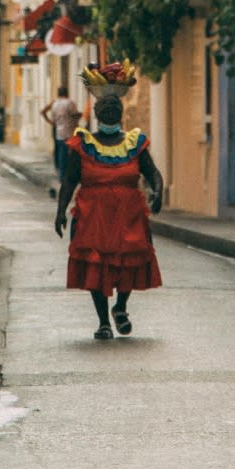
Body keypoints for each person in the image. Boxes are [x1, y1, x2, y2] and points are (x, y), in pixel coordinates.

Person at [54, 93, 163, 339]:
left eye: (115, 109)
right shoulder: (83, 145)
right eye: (106, 109)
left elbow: (152, 173)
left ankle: (120, 307)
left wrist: (159, 192)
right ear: (98, 114)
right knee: (96, 264)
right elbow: (70, 180)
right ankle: (103, 321)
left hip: (129, 216)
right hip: (93, 217)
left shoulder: (135, 144)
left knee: (130, 261)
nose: (111, 113)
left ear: (121, 114)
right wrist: (60, 211)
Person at [41, 86, 81, 197]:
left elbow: (43, 112)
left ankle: (62, 177)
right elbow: (74, 115)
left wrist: (51, 122)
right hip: (69, 133)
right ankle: (70, 177)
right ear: (67, 92)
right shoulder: (69, 103)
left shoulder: (55, 104)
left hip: (59, 132)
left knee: (61, 156)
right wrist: (79, 116)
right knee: (71, 156)